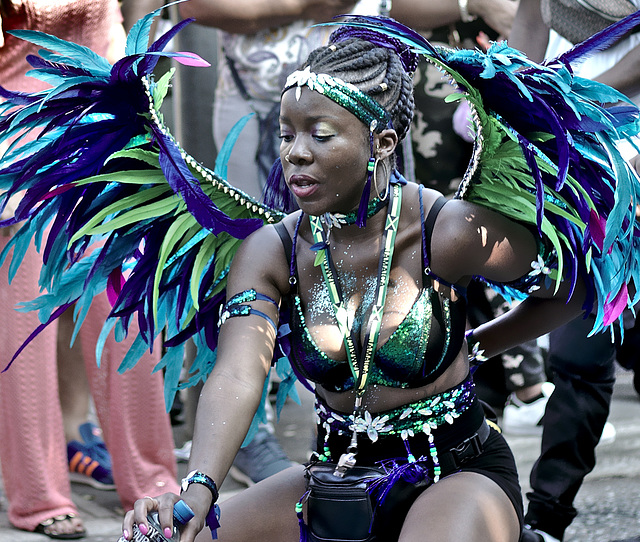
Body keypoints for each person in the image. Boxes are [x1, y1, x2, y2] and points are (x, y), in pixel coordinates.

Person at [112, 15, 640, 542]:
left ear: (382, 143)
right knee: (158, 539)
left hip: (454, 476)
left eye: (320, 134)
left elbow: (578, 286)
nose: (295, 152)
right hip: (334, 481)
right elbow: (236, 374)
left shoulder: (446, 230)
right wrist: (198, 490)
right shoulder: (271, 250)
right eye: (287, 133)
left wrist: (482, 344)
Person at [0, 1, 180, 538]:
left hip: (108, 129)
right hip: (19, 134)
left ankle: (154, 488)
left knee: (125, 316)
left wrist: (143, 88)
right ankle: (38, 496)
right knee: (24, 327)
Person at [507, 1, 640, 540]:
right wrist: (510, 95)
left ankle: (547, 512)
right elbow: (530, 23)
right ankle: (546, 516)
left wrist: (565, 109)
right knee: (577, 358)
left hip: (617, 153)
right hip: (579, 178)